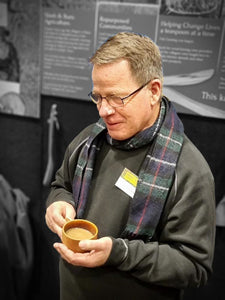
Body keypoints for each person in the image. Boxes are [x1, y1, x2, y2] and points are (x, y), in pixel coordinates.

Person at [45, 32, 216, 300]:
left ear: (154, 91)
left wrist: (119, 253)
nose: (103, 111)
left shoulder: (190, 171)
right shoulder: (89, 140)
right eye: (98, 97)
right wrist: (57, 203)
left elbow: (193, 267)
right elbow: (61, 184)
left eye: (116, 97)